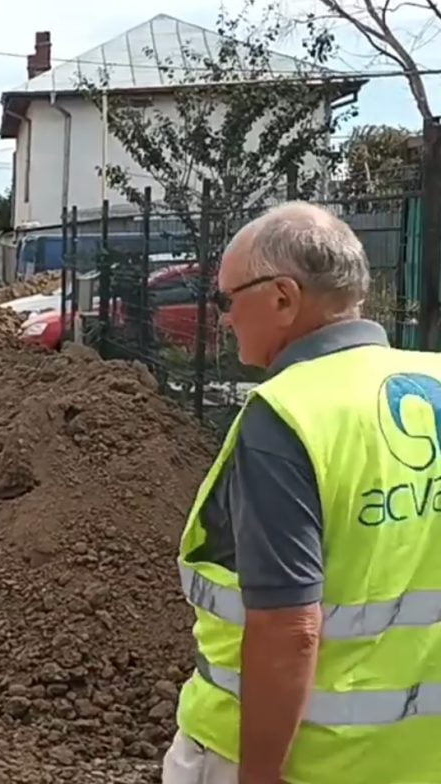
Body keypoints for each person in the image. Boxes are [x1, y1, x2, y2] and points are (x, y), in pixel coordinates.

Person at [165, 202, 440, 784]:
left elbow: (289, 629)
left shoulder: (289, 414)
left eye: (225, 300)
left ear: (283, 298)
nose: (224, 320)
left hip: (305, 761)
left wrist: (258, 776)